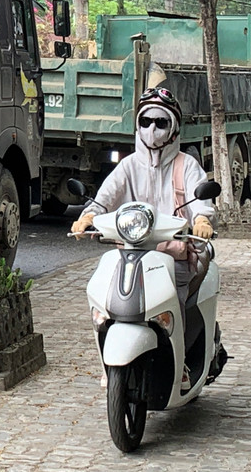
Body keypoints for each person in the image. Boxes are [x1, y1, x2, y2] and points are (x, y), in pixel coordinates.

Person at [70, 85, 215, 388]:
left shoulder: (186, 165)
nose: (152, 129)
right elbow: (106, 196)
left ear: (174, 129)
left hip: (174, 256)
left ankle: (182, 363)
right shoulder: (129, 165)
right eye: (146, 122)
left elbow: (200, 198)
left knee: (174, 300)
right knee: (107, 294)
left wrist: (202, 219)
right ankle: (110, 353)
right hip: (131, 252)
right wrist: (87, 216)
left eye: (161, 123)